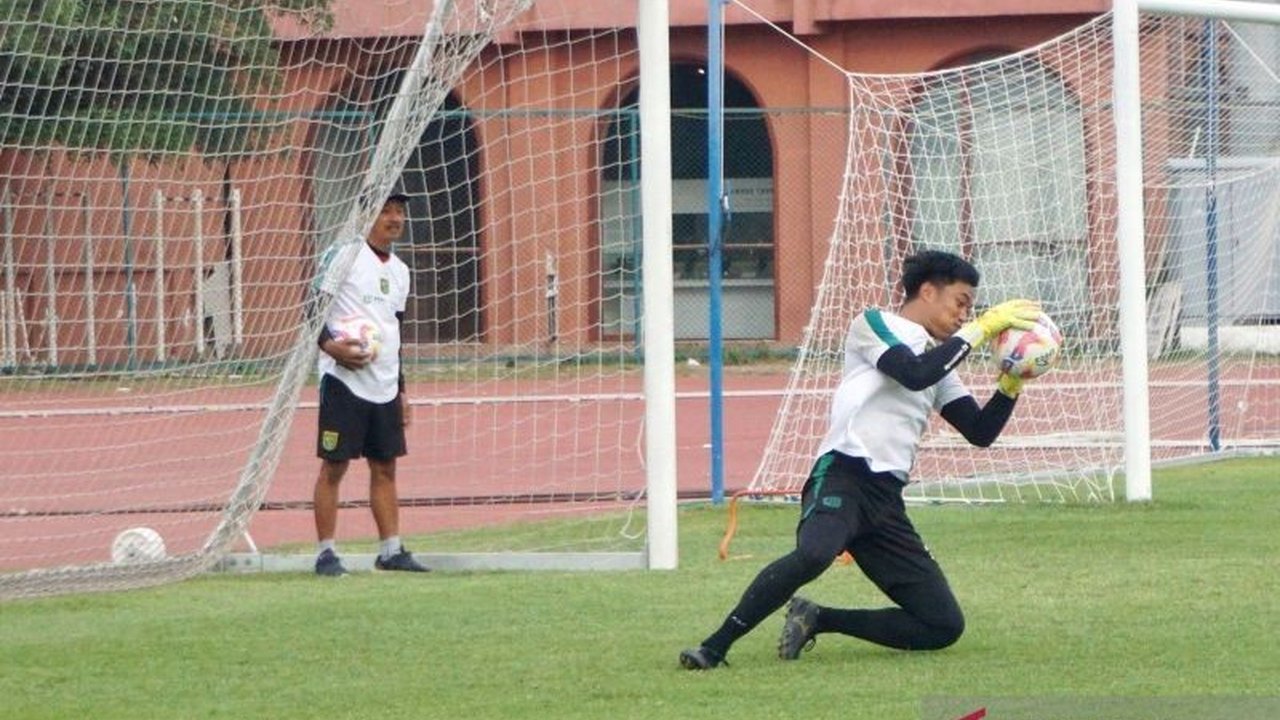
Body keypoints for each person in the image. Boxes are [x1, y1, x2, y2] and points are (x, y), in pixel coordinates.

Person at [679, 250, 1041, 668]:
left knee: (942, 624)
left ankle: (818, 618)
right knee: (815, 554)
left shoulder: (939, 362)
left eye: (971, 309)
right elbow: (913, 372)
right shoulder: (875, 324)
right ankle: (713, 647)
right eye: (961, 302)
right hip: (844, 474)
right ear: (927, 290)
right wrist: (983, 329)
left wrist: (1011, 383)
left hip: (886, 500)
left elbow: (980, 432)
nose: (965, 315)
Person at [311, 192, 429, 576]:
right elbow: (311, 308)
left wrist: (402, 390)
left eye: (400, 212)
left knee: (386, 467)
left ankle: (390, 550)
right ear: (367, 215)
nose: (394, 218)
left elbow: (396, 332)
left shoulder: (400, 271)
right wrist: (332, 347)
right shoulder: (343, 255)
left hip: (384, 384)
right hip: (343, 380)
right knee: (335, 465)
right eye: (386, 211)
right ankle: (326, 553)